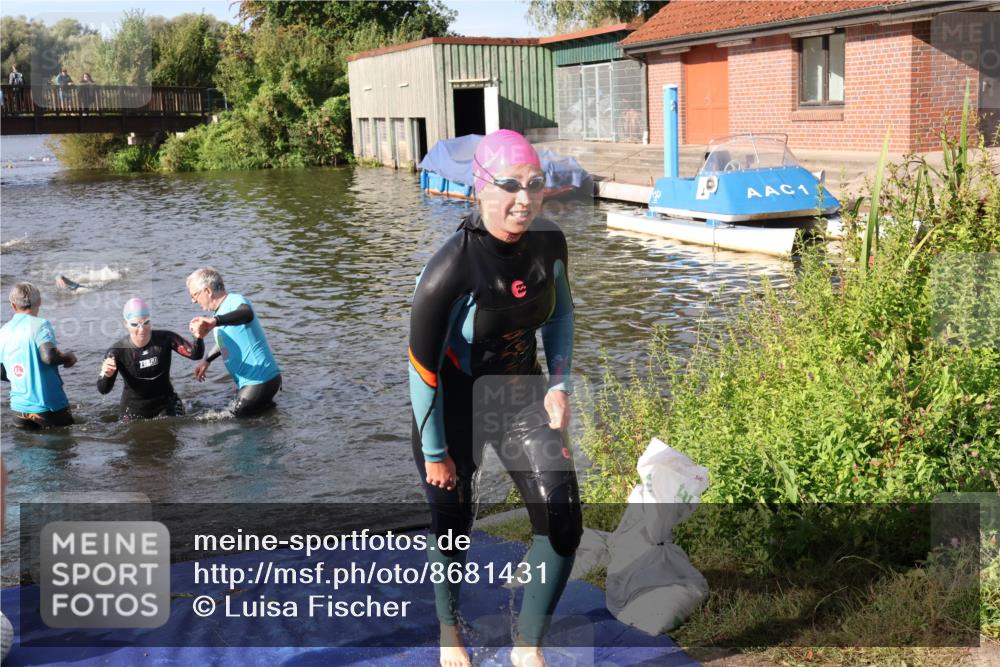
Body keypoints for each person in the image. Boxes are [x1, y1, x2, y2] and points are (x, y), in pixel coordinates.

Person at [408, 130, 581, 667]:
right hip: (453, 407)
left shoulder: (549, 243)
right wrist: (436, 453)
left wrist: (557, 385)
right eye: (509, 185)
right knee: (452, 526)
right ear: (479, 188)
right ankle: (448, 632)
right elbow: (422, 370)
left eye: (535, 185)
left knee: (564, 518)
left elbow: (561, 317)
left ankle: (527, 646)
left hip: (522, 397)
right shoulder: (449, 269)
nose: (524, 199)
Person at [187, 268, 281, 417]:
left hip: (259, 380)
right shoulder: (220, 313)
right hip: (258, 381)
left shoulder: (235, 301)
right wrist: (207, 361)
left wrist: (214, 322)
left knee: (235, 421)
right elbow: (225, 342)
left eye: (194, 295)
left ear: (207, 291)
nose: (193, 300)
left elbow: (247, 313)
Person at [98, 297, 204, 421]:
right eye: (135, 324)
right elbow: (103, 389)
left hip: (166, 403)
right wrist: (108, 375)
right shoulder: (116, 352)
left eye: (146, 322)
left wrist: (198, 337)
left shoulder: (165, 338)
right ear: (126, 324)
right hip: (133, 410)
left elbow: (195, 354)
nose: (142, 329)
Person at [0, 283, 77, 429]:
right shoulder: (40, 325)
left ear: (13, 305)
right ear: (39, 301)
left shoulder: (3, 331)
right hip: (48, 406)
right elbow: (49, 357)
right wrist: (68, 357)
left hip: (19, 409)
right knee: (65, 449)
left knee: (27, 449)